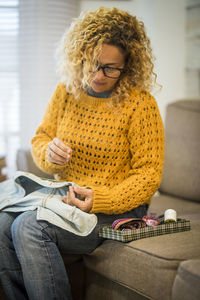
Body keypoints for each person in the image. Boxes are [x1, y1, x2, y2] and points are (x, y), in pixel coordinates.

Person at [0, 6, 165, 300]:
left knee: (29, 226)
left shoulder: (141, 104)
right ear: (80, 56)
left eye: (111, 68)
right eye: (91, 63)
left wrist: (100, 199)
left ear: (129, 65)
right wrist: (49, 154)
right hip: (66, 199)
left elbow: (149, 175)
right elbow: (41, 138)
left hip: (118, 209)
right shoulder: (66, 90)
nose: (98, 75)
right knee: (2, 222)